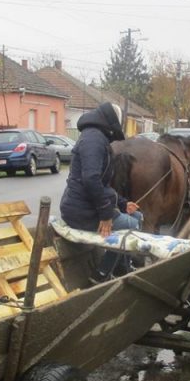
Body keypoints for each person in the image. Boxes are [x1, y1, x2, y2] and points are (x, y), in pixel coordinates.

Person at [60, 102, 143, 283]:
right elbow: (91, 180)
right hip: (79, 211)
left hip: (87, 207)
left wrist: (122, 203)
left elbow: (102, 184)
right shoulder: (93, 140)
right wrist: (106, 214)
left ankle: (122, 266)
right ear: (111, 121)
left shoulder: (98, 138)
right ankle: (101, 274)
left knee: (137, 216)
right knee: (131, 226)